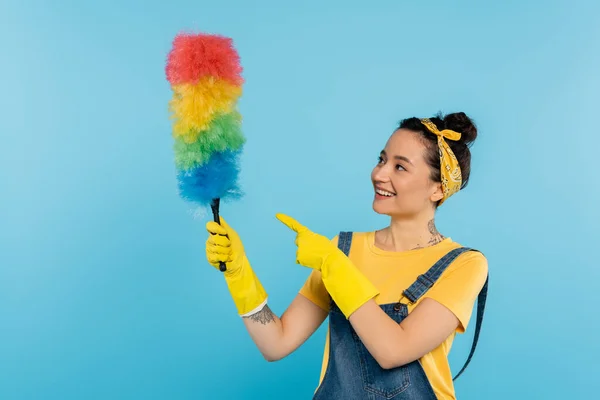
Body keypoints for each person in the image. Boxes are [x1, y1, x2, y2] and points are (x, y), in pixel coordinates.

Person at [204, 112, 489, 399]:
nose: (379, 174)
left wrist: (334, 267)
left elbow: (394, 350)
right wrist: (238, 274)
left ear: (437, 189)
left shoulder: (464, 264)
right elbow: (276, 343)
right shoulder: (343, 249)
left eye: (400, 167)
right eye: (382, 159)